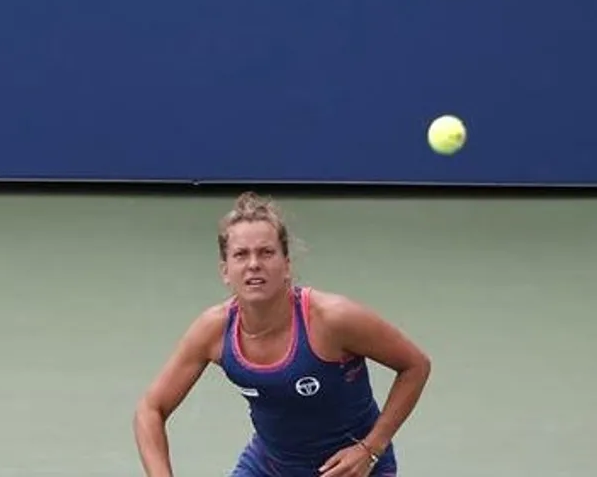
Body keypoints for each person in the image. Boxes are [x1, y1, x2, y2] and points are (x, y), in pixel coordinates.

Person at [132, 192, 432, 477]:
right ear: (225, 270)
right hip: (269, 467)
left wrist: (371, 448)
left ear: (286, 265)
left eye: (266, 253)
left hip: (351, 470)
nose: (253, 264)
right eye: (241, 255)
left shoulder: (333, 318)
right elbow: (150, 409)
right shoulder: (213, 330)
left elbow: (415, 366)